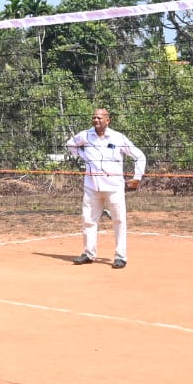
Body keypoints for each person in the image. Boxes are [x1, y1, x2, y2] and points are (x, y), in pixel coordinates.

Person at [65, 108, 147, 270]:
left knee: (119, 221)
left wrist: (137, 177)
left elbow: (139, 156)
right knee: (88, 220)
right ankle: (89, 254)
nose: (96, 120)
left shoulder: (118, 137)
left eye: (99, 117)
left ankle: (120, 257)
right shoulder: (85, 135)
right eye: (94, 117)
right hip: (92, 187)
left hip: (114, 187)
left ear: (108, 120)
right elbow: (70, 144)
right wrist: (83, 156)